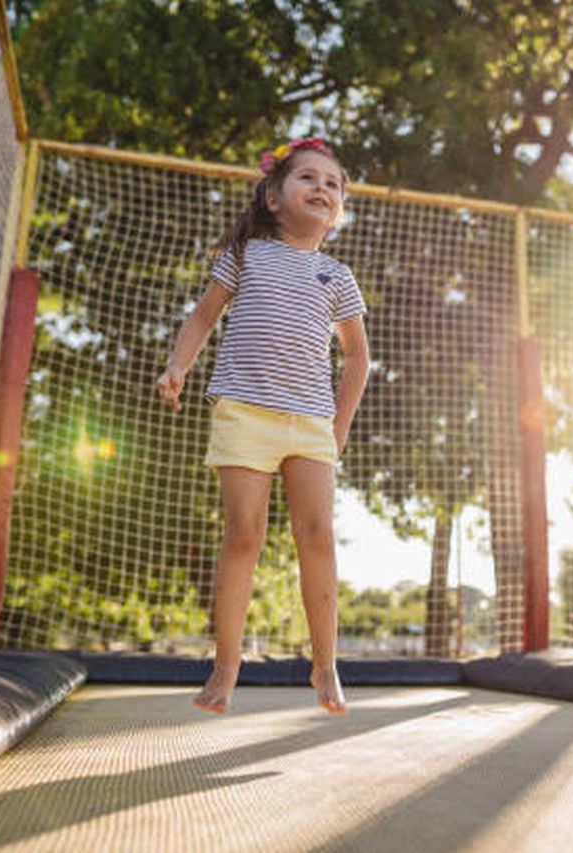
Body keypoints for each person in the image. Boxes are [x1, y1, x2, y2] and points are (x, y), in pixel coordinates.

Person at [157, 138, 369, 715]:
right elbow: (204, 315)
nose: (323, 188)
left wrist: (339, 429)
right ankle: (226, 666)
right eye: (309, 178)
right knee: (244, 533)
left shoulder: (336, 276)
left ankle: (325, 665)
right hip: (244, 412)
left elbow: (357, 359)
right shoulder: (246, 255)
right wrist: (179, 365)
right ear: (275, 196)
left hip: (309, 424)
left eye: (334, 184)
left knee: (317, 534)